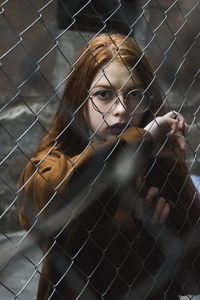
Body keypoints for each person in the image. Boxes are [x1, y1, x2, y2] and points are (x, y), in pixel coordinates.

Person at [18, 33, 200, 300]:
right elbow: (59, 199)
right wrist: (143, 138)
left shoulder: (160, 164)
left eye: (135, 95)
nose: (121, 110)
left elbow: (192, 272)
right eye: (104, 94)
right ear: (79, 101)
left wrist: (161, 228)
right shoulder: (49, 164)